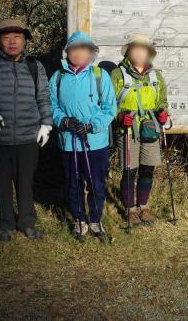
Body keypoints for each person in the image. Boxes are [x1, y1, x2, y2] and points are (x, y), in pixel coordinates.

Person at [0, 18, 53, 242]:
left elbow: (43, 97)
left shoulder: (35, 66)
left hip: (28, 136)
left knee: (26, 182)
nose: (12, 42)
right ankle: (4, 224)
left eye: (17, 37)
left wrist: (47, 123)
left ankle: (27, 222)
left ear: (25, 40)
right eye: (7, 38)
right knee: (0, 182)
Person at [48, 31, 116, 242]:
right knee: (73, 182)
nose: (78, 53)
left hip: (96, 141)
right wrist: (64, 121)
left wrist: (92, 126)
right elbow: (51, 105)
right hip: (68, 141)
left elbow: (109, 108)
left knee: (96, 182)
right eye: (74, 49)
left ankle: (95, 220)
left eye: (83, 49)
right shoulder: (58, 77)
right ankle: (79, 219)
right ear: (67, 52)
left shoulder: (99, 75)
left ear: (90, 53)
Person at [111, 33, 168, 227]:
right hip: (127, 129)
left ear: (148, 52)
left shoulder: (156, 76)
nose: (139, 52)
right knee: (129, 170)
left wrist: (162, 112)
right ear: (128, 51)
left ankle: (143, 206)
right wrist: (119, 116)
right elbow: (109, 103)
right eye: (136, 48)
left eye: (143, 49)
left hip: (150, 128)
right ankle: (130, 209)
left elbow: (162, 100)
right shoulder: (118, 74)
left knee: (147, 169)